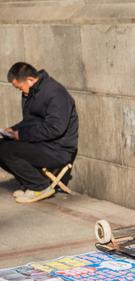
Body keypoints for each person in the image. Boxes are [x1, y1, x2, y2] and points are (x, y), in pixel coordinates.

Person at [0, 62, 78, 203]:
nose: (20, 91)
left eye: (19, 87)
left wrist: (22, 135)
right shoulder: (32, 92)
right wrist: (13, 130)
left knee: (6, 150)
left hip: (57, 149)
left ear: (30, 80)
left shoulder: (55, 93)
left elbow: (55, 128)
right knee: (1, 145)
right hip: (42, 144)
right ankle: (30, 183)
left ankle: (39, 186)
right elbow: (31, 121)